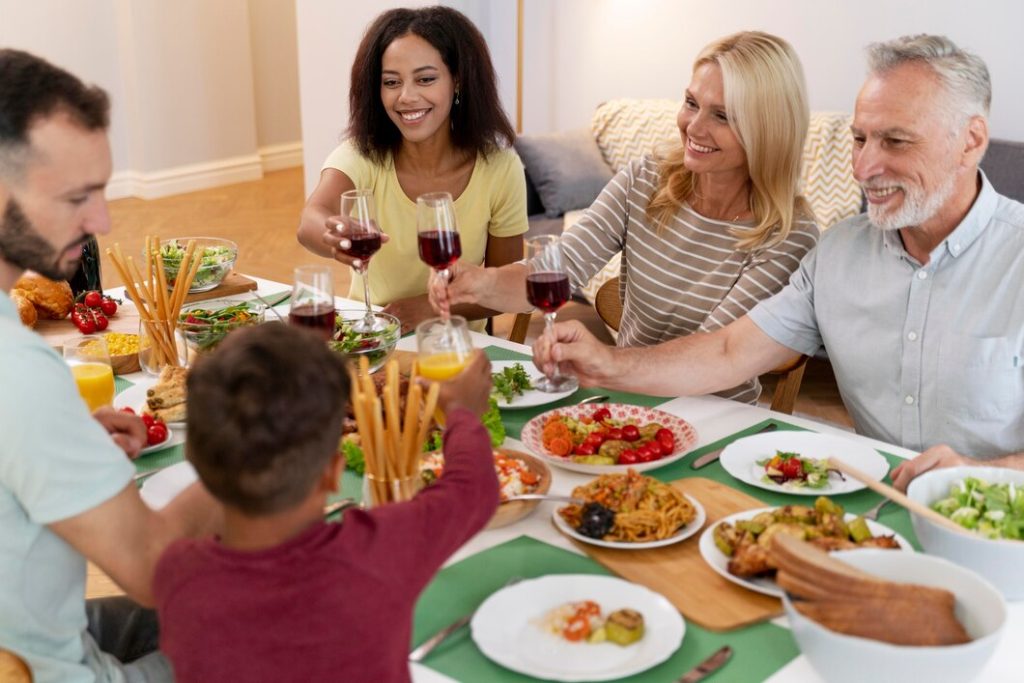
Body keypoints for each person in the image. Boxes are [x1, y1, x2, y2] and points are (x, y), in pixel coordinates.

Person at [533, 35, 1024, 491]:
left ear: (971, 141)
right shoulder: (838, 254)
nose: (863, 168)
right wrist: (607, 362)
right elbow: (728, 353)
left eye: (894, 141)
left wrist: (986, 475)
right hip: (868, 501)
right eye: (859, 139)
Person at [432, 31, 820, 403]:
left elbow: (716, 354)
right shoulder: (646, 178)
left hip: (715, 418)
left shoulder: (789, 233)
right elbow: (556, 270)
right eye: (691, 103)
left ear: (767, 129)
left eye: (722, 116)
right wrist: (480, 283)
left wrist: (607, 361)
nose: (694, 127)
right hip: (621, 402)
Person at [0, 49, 220, 682]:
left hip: (30, 628)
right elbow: (152, 569)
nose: (103, 219)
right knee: (286, 625)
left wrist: (63, 444)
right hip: (59, 671)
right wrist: (248, 458)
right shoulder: (18, 369)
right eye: (78, 196)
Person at [153, 323, 498, 681]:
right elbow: (473, 487)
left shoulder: (175, 575)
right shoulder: (378, 554)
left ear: (197, 465)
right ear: (334, 472)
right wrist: (462, 411)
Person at [297, 5, 528, 334]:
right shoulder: (362, 156)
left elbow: (506, 286)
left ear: (458, 80)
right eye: (391, 82)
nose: (406, 97)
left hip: (460, 349)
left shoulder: (500, 168)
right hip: (373, 337)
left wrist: (431, 307)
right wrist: (335, 235)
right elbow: (310, 221)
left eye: (425, 79)